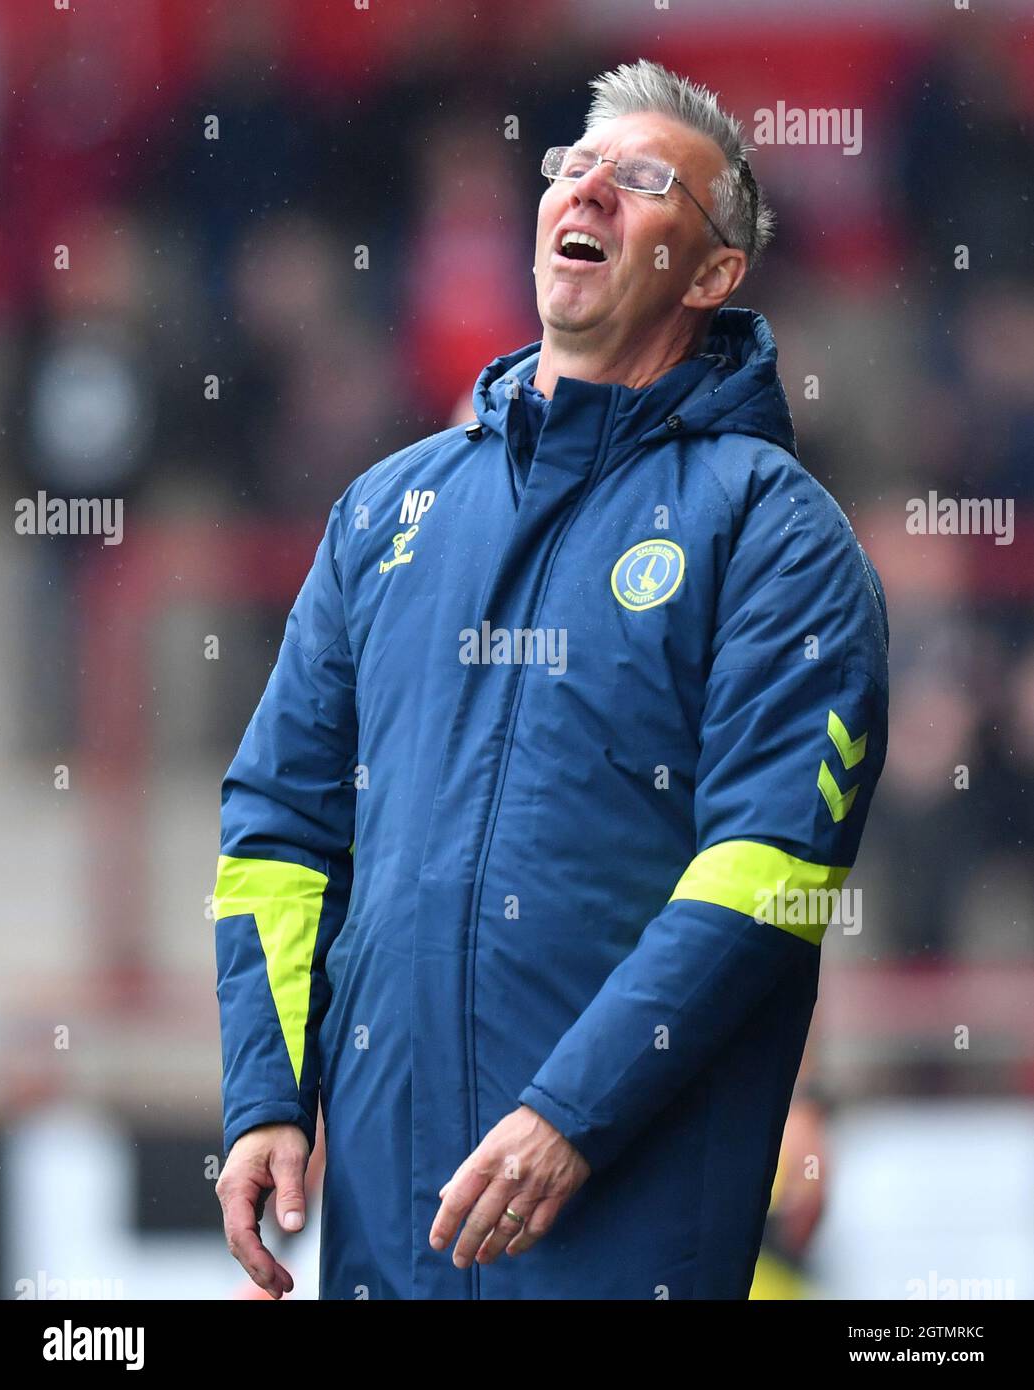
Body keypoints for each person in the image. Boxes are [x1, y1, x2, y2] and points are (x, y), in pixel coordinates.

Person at [212, 57, 889, 1300]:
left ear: (715, 271)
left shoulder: (774, 533)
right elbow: (278, 828)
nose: (589, 190)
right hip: (387, 1238)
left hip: (623, 1231)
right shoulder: (386, 511)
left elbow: (777, 876)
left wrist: (571, 1115)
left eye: (641, 181)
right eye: (573, 168)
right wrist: (264, 1092)